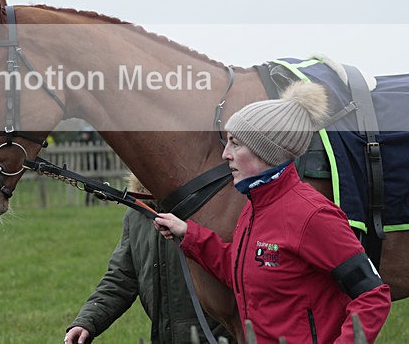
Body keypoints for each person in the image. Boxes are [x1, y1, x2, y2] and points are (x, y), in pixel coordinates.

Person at [154, 82, 392, 344]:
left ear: (264, 151)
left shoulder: (314, 215)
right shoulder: (255, 205)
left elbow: (373, 296)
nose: (225, 154)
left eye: (235, 143)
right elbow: (243, 270)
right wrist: (189, 235)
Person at [65, 175, 232, 344]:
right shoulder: (136, 214)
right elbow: (120, 279)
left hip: (216, 337)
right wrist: (87, 322)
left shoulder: (208, 206)